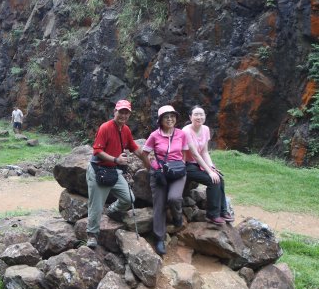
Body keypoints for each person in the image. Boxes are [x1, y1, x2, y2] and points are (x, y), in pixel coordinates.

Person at [86, 99, 151, 248]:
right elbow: (97, 151)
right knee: (96, 206)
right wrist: (116, 159)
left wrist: (147, 162)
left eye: (126, 113)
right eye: (120, 112)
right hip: (99, 170)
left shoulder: (126, 130)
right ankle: (92, 235)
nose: (123, 115)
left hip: (113, 171)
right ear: (115, 111)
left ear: (129, 115)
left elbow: (134, 148)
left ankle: (113, 211)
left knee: (129, 198)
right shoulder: (105, 127)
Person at [143, 105, 189, 255]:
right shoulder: (154, 135)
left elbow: (184, 153)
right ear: (160, 120)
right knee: (159, 205)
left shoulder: (181, 134)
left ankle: (177, 218)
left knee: (175, 198)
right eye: (166, 117)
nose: (170, 119)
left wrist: (181, 165)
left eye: (172, 116)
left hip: (177, 172)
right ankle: (159, 238)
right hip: (160, 173)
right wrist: (153, 168)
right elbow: (145, 154)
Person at [182, 105, 234, 225]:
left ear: (205, 116)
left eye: (201, 114)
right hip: (187, 164)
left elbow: (204, 152)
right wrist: (210, 172)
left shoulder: (205, 129)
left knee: (219, 178)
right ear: (190, 117)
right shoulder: (186, 131)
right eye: (196, 114)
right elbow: (195, 154)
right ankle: (212, 215)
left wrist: (212, 167)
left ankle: (223, 211)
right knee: (212, 180)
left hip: (199, 163)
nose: (199, 117)